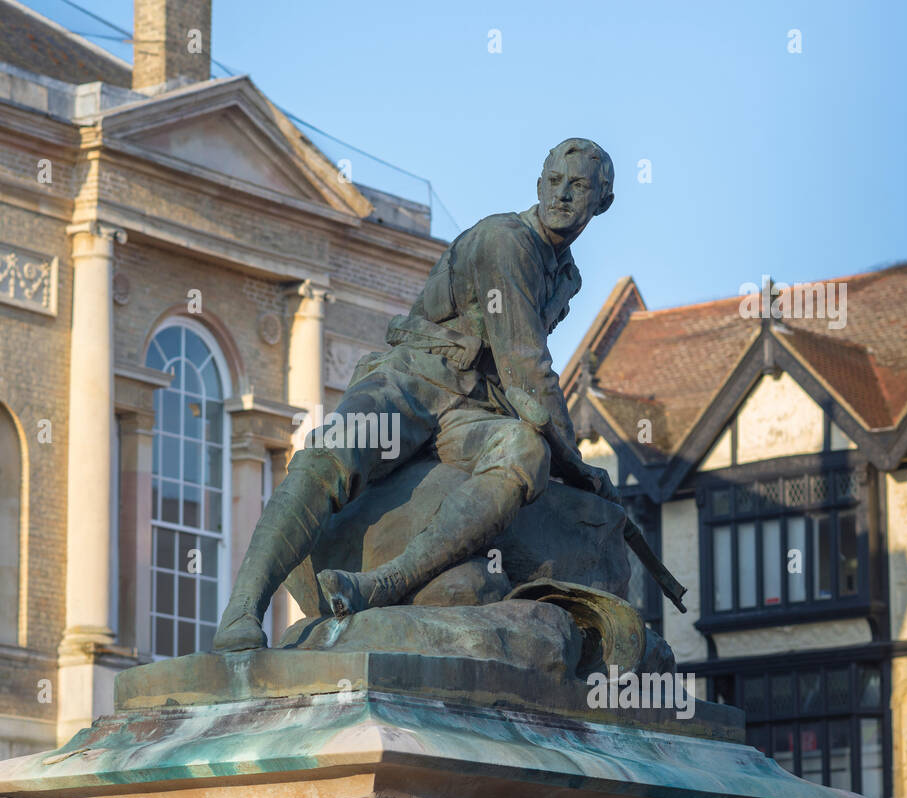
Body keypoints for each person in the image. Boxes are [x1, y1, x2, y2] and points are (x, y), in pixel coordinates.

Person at [215, 138, 620, 652]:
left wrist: (554, 453)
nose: (562, 196)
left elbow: (514, 378)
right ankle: (242, 610)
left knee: (523, 450)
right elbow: (527, 367)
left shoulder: (568, 277)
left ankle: (384, 583)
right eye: (555, 182)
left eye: (579, 185)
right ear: (538, 185)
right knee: (328, 457)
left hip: (474, 407)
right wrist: (577, 464)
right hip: (415, 378)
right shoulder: (506, 240)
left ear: (601, 201)